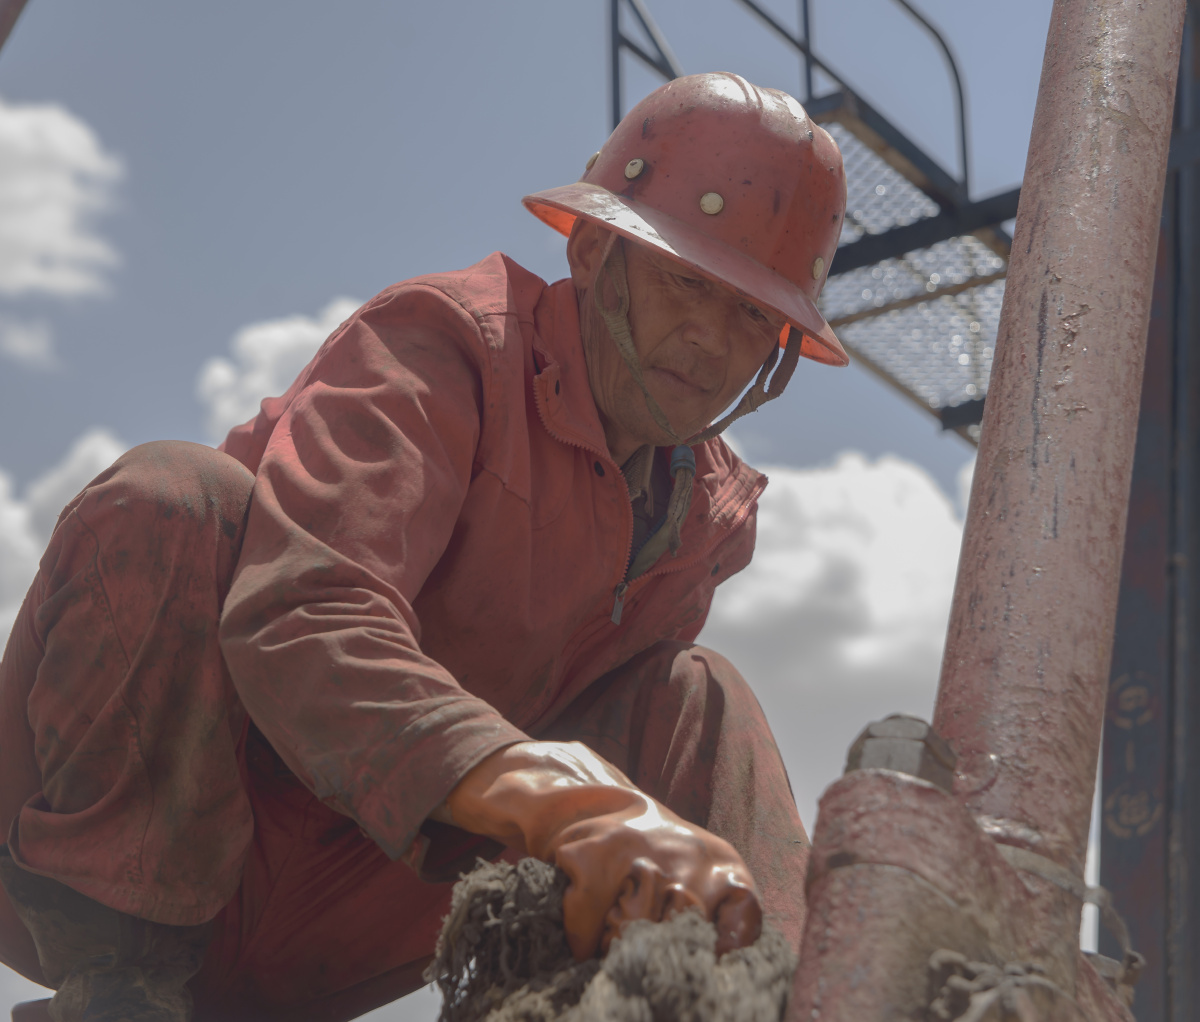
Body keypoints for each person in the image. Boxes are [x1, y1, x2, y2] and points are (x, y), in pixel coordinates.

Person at [0, 72, 847, 1022]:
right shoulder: (447, 345)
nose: (710, 339)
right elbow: (304, 618)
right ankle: (119, 983)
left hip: (367, 909)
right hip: (171, 847)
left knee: (700, 696)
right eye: (687, 281)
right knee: (177, 496)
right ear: (598, 254)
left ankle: (803, 1002)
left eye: (750, 315)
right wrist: (564, 800)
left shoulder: (700, 523)